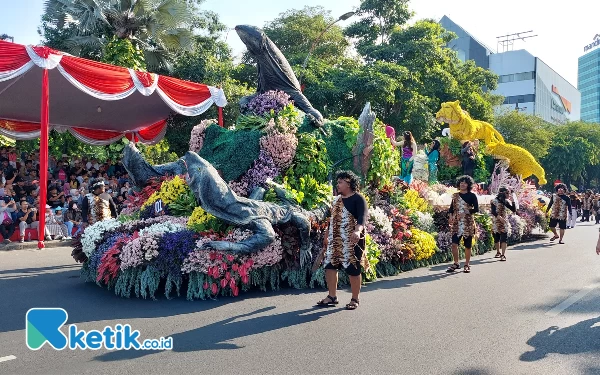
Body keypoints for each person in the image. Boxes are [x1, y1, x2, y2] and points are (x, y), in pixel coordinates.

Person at [316, 170, 368, 310]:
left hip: (352, 240)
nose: (337, 185)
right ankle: (332, 296)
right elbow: (332, 220)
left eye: (340, 182)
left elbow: (362, 219)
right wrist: (326, 235)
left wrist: (357, 231)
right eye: (337, 182)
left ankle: (355, 299)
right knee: (330, 266)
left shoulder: (358, 198)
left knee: (353, 269)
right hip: (334, 240)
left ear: (349, 183)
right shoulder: (336, 200)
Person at [447, 175, 479, 273]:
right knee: (454, 244)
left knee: (467, 245)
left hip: (468, 223)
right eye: (461, 182)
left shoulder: (472, 196)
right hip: (457, 223)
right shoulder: (455, 196)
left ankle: (466, 264)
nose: (462, 184)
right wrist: (451, 216)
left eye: (465, 183)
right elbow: (451, 209)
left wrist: (465, 212)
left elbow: (476, 209)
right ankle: (456, 263)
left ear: (468, 185)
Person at [491, 187, 516, 261]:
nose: (509, 194)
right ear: (502, 193)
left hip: (504, 222)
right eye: (507, 193)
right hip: (496, 221)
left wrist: (513, 202)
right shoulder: (494, 201)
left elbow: (513, 210)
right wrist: (499, 218)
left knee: (504, 238)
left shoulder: (505, 201)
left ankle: (503, 254)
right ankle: (498, 251)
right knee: (496, 238)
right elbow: (493, 212)